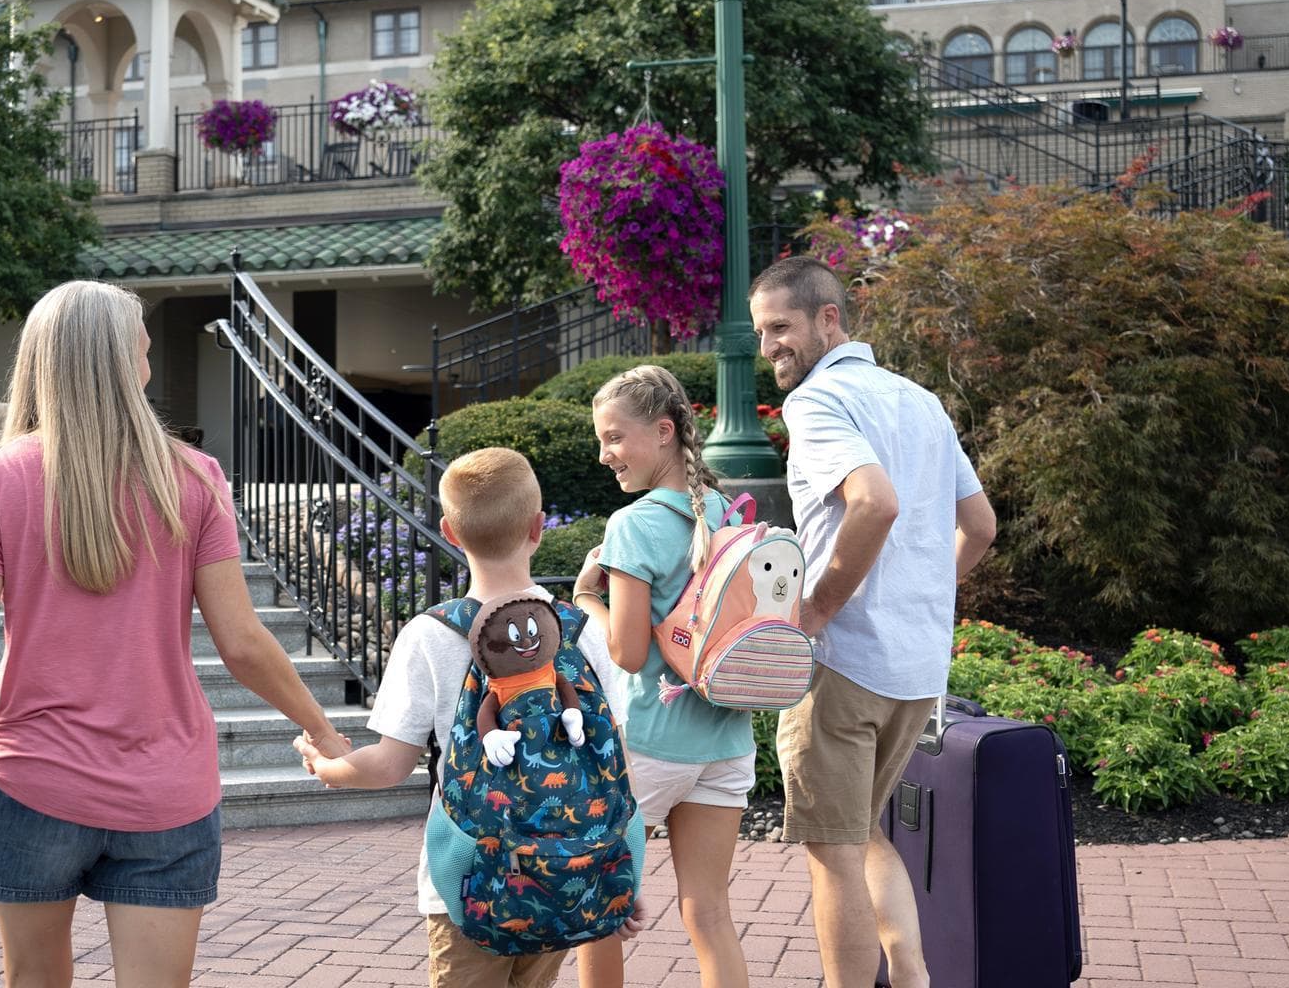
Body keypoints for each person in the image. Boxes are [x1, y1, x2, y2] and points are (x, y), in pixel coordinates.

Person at [0, 280, 353, 988]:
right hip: (164, 787)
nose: (147, 356)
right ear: (122, 361)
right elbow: (242, 641)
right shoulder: (194, 479)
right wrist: (322, 731)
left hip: (28, 781)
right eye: (140, 344)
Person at [293, 446, 646, 988]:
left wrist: (327, 766)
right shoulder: (576, 630)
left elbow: (388, 766)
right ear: (538, 527)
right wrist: (618, 874)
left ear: (449, 533)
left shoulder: (429, 635)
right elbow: (612, 762)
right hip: (567, 876)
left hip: (466, 881)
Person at [748, 255, 998, 988]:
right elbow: (979, 527)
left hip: (843, 664)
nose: (768, 348)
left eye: (781, 327)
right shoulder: (919, 399)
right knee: (863, 836)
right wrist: (916, 593)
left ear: (830, 319)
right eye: (762, 331)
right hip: (917, 669)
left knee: (831, 852)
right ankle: (914, 981)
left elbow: (874, 501)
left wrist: (818, 608)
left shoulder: (817, 400)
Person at [571, 365, 755, 988]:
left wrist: (584, 599)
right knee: (709, 910)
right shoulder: (729, 512)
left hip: (650, 741)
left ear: (664, 431)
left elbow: (625, 652)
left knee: (600, 906)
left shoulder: (634, 525)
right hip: (726, 741)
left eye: (615, 438)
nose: (605, 455)